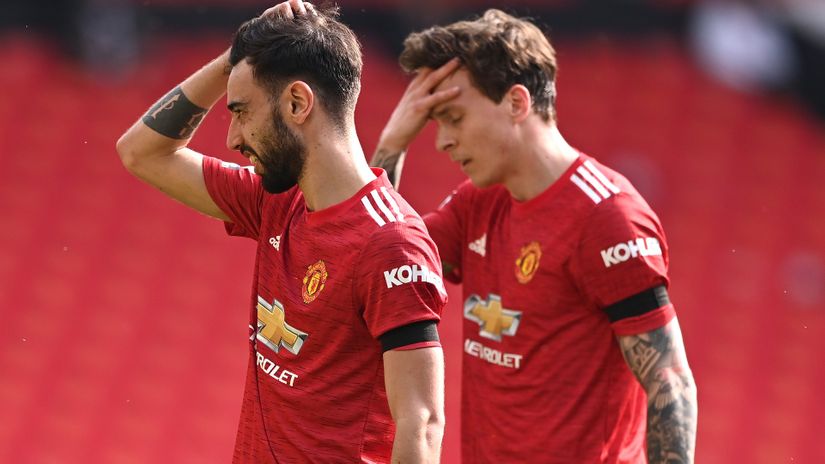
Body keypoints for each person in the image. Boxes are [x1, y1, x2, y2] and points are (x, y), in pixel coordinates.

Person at [116, 1, 446, 462]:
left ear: (296, 103)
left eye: (242, 111)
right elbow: (141, 153)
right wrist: (235, 57)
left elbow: (422, 423)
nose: (232, 137)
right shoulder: (275, 202)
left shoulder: (392, 244)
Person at [371, 9, 698, 464]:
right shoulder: (478, 204)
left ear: (517, 103)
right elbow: (378, 262)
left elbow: (669, 379)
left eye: (453, 118)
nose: (443, 140)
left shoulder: (608, 217)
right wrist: (392, 143)